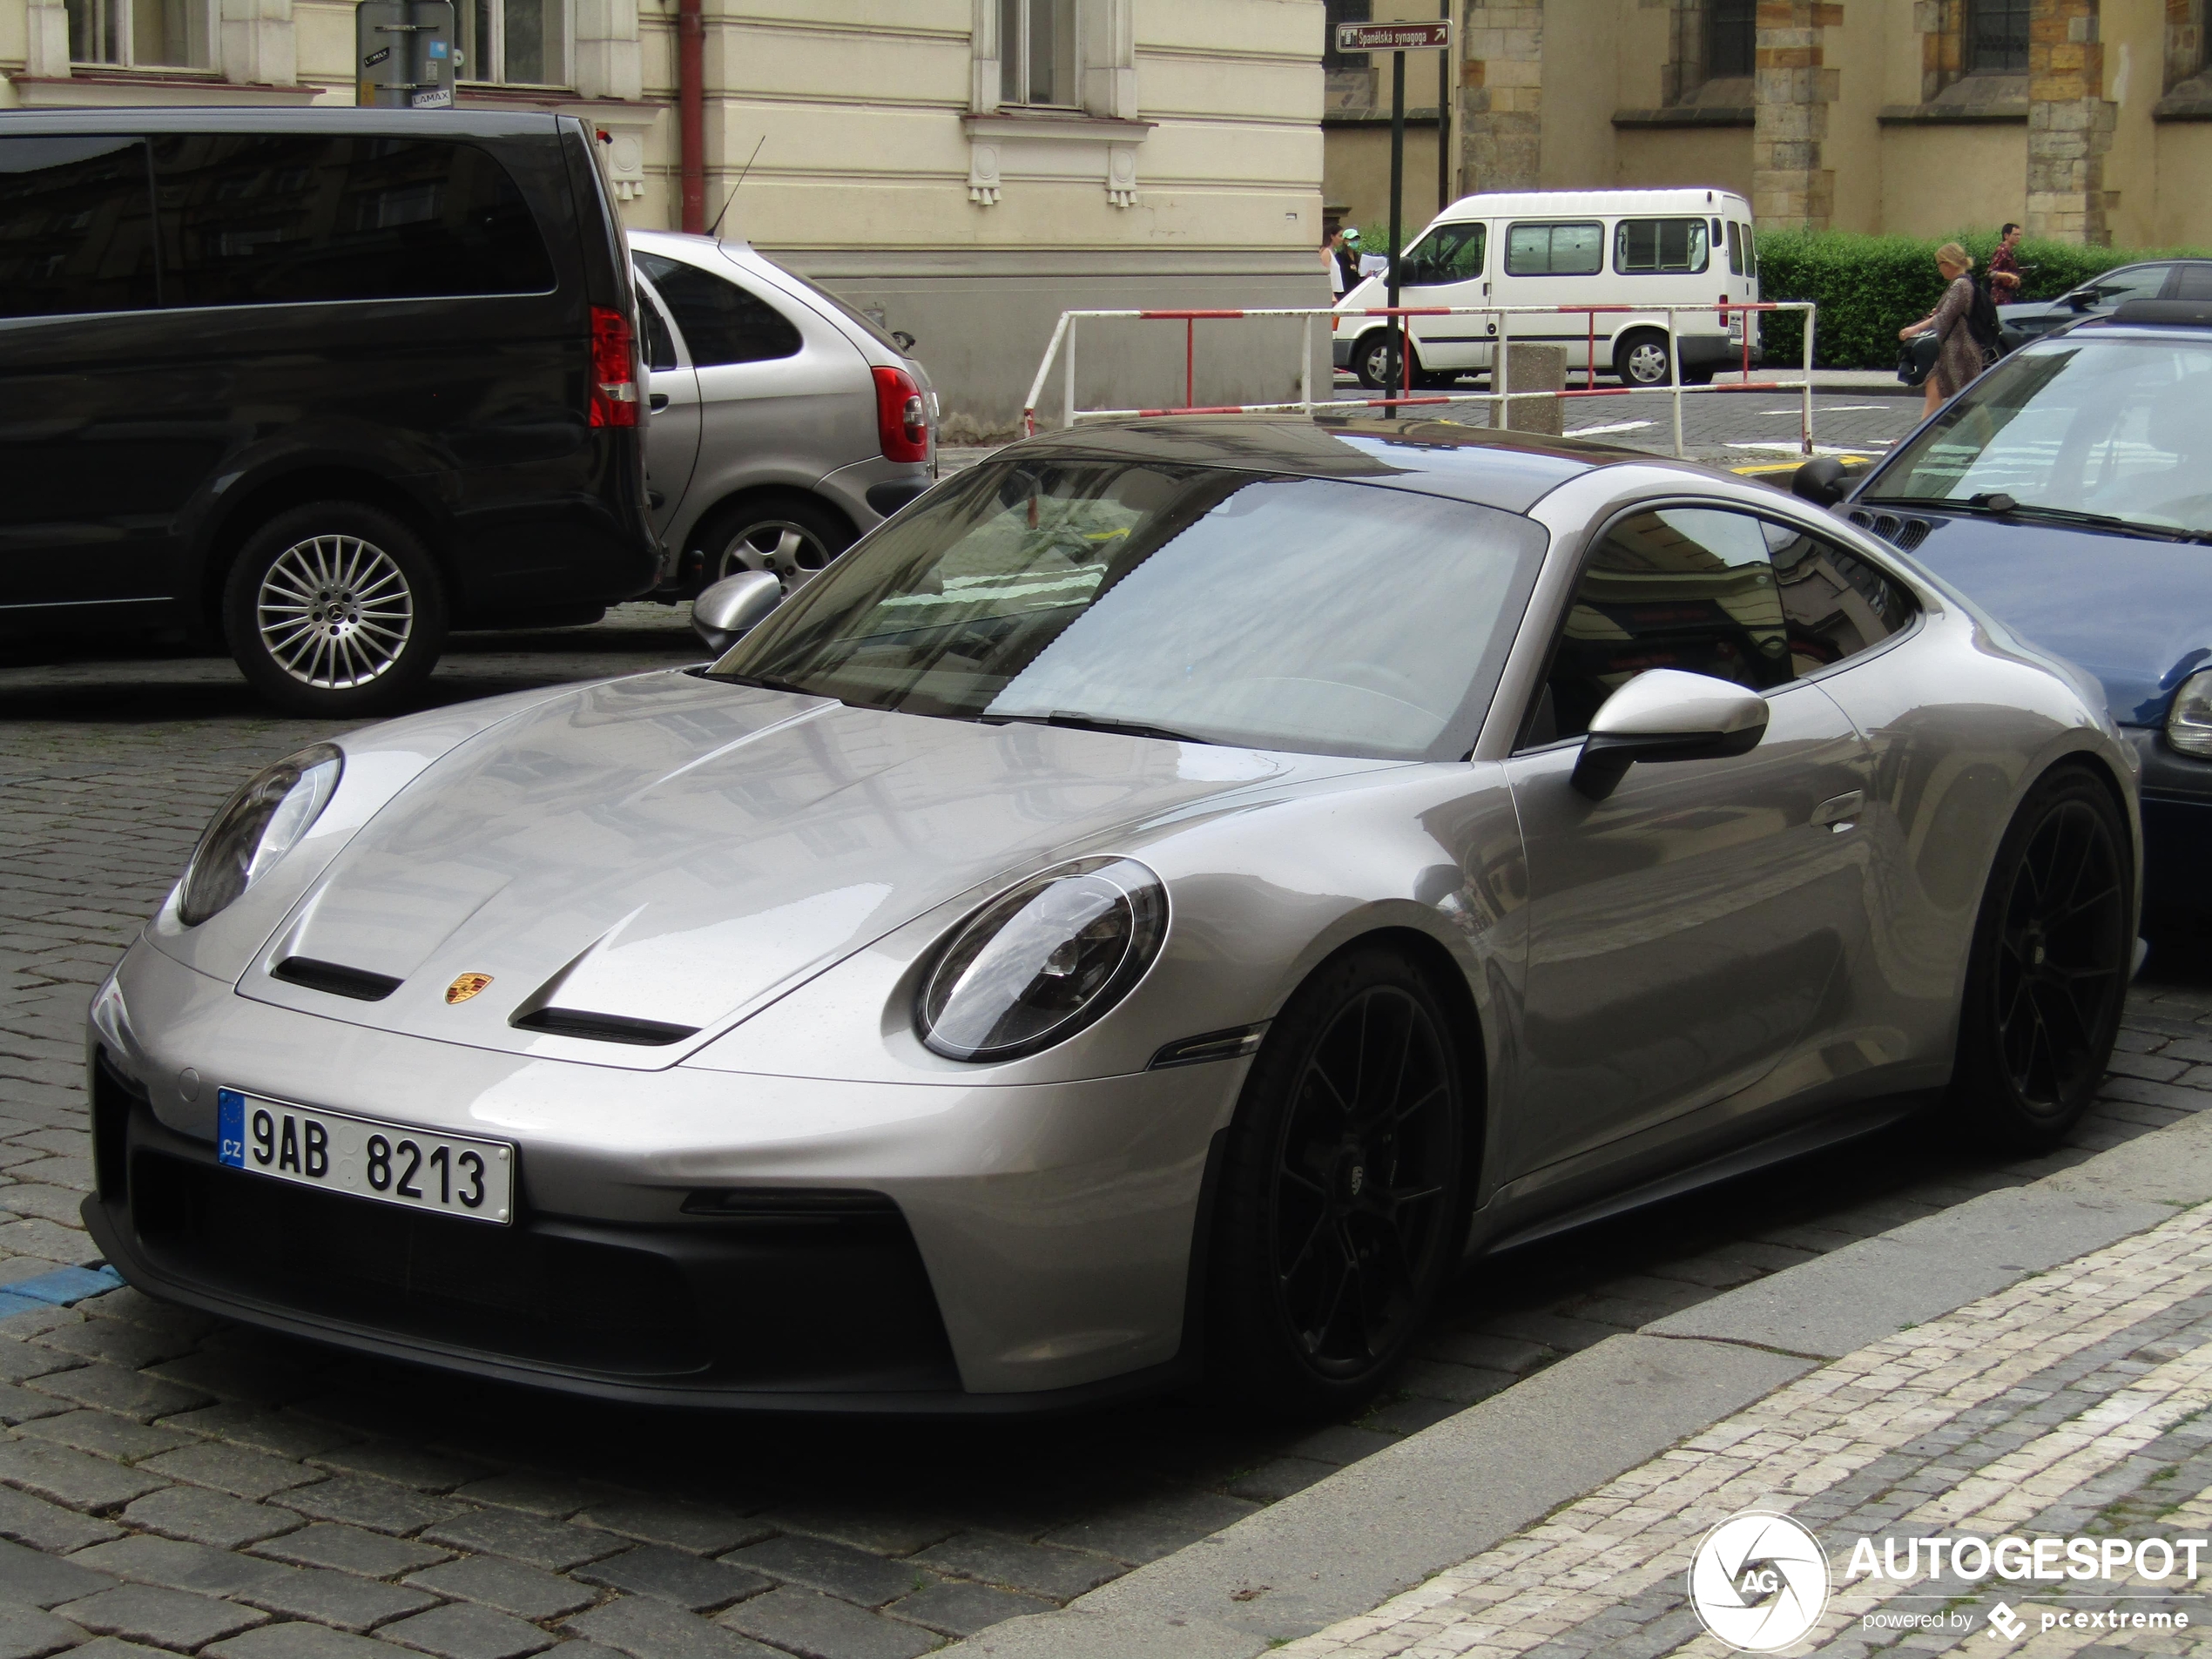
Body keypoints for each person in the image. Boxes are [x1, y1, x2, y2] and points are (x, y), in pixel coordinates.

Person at [1899, 242, 1986, 416]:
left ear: (1949, 263)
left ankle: (1988, 440)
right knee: (1934, 393)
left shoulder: (1960, 285)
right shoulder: (1964, 282)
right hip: (1950, 351)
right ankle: (1919, 440)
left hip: (1959, 352)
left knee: (1970, 400)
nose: (1939, 269)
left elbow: (1945, 317)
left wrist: (1915, 329)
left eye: (1940, 264)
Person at [1988, 222, 2023, 298]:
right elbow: (1991, 273)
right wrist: (2009, 275)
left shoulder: (2009, 251)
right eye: (2015, 235)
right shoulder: (2002, 251)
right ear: (2006, 236)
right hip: (1999, 296)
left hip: (2007, 294)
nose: (2018, 237)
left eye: (2019, 235)